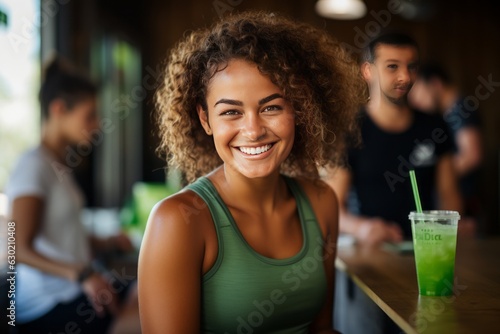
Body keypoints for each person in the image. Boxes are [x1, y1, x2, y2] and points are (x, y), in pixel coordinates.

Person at [138, 11, 365, 333]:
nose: (254, 130)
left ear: (299, 109)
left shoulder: (321, 201)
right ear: (205, 120)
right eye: (231, 112)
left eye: (271, 107)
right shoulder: (178, 221)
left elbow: (322, 329)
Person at [324, 33, 463, 334]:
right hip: (369, 260)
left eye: (412, 66)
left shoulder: (434, 126)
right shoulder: (351, 129)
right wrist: (363, 227)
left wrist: (452, 230)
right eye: (392, 66)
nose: (404, 76)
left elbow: (450, 194)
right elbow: (333, 207)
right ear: (368, 71)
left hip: (427, 258)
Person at [5, 58, 137, 333]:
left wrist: (108, 241)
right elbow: (17, 248)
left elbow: (60, 236)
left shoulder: (59, 166)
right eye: (89, 115)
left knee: (147, 289)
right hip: (47, 306)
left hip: (72, 290)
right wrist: (84, 274)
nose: (97, 125)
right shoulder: (33, 166)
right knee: (152, 315)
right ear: (58, 109)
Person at [410, 63, 482, 221]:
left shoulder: (460, 109)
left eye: (418, 91)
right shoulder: (446, 113)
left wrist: (439, 175)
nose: (415, 100)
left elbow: (472, 155)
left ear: (436, 84)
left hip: (465, 201)